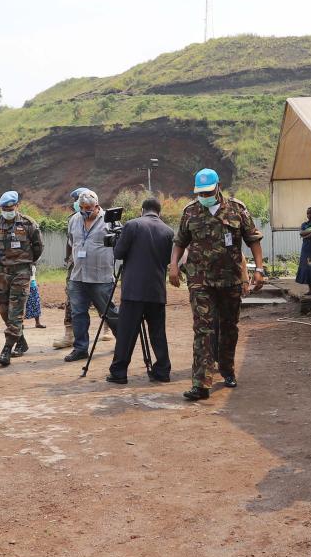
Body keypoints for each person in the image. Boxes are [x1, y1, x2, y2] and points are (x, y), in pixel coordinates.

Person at [170, 168, 265, 401]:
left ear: (218, 186)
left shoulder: (237, 209)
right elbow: (180, 242)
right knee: (203, 328)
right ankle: (201, 383)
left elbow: (253, 239)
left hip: (230, 279)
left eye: (208, 192)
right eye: (200, 193)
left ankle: (227, 369)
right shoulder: (190, 211)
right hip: (200, 280)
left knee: (229, 326)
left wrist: (259, 269)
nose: (204, 196)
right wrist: (173, 266)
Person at [106, 197, 173, 385]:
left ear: (142, 210)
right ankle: (162, 371)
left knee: (126, 334)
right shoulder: (168, 231)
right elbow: (168, 259)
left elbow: (118, 253)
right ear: (159, 212)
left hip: (133, 291)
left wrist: (117, 241)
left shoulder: (132, 225)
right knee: (158, 333)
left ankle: (119, 373)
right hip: (156, 290)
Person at [63, 189, 118, 362]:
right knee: (78, 313)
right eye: (81, 207)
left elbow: (120, 245)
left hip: (101, 277)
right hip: (78, 276)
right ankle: (80, 349)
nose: (84, 211)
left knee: (109, 312)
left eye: (88, 208)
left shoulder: (110, 221)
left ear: (97, 206)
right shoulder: (74, 220)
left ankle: (124, 342)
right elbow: (72, 242)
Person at [0, 191, 44, 367]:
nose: (8, 211)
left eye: (10, 208)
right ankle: (21, 341)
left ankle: (7, 349)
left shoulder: (28, 224)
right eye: (4, 209)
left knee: (16, 311)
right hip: (0, 273)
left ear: (17, 206)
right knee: (4, 310)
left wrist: (26, 262)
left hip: (21, 272)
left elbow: (38, 247)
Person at [54, 187, 88, 350]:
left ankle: (109, 330)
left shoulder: (102, 218)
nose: (75, 203)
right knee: (71, 299)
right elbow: (70, 242)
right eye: (75, 201)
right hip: (74, 266)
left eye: (78, 200)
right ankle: (69, 335)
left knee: (102, 298)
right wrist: (68, 260)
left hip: (95, 266)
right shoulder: (72, 219)